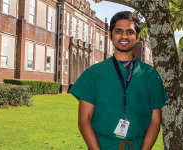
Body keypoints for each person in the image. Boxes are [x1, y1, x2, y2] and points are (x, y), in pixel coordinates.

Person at [69, 11, 168, 150]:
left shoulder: (150, 75)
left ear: (137, 36)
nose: (124, 36)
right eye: (119, 31)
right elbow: (84, 120)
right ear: (110, 35)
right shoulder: (94, 73)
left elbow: (155, 121)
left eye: (130, 32)